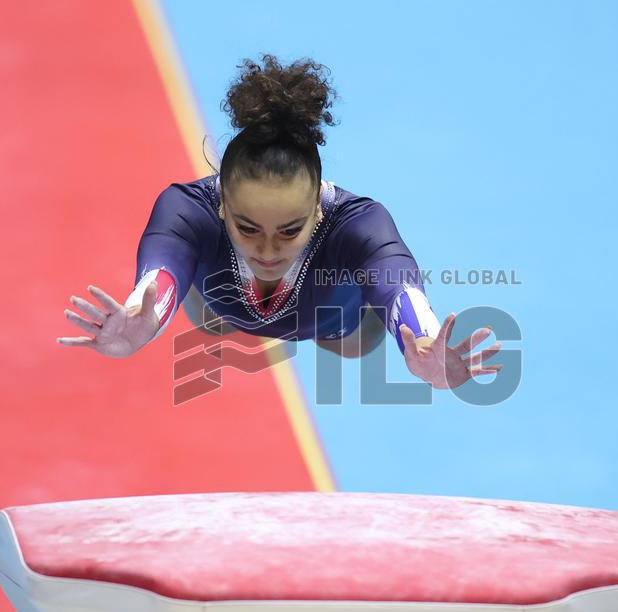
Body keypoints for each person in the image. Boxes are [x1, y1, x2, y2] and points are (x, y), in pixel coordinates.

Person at [58, 54, 502, 390]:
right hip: (221, 308)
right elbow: (162, 269)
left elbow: (396, 282)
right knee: (216, 322)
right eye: (248, 228)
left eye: (290, 230)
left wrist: (421, 343)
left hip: (334, 322)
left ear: (319, 211)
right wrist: (144, 315)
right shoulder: (186, 209)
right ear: (221, 208)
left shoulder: (358, 224)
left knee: (349, 346)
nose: (267, 252)